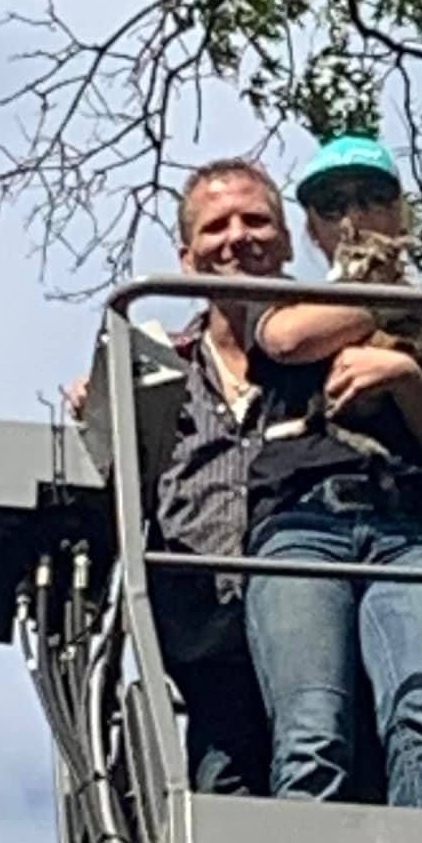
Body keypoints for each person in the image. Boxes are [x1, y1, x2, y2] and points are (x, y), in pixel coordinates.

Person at [243, 135, 422, 810]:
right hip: (301, 524)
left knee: (421, 713)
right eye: (331, 203)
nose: (353, 215)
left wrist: (406, 376)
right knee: (311, 729)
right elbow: (286, 343)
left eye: (372, 197)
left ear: (401, 211)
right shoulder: (284, 306)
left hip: (412, 530)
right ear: (313, 228)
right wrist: (386, 301)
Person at [68, 156, 292, 796]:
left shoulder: (336, 351)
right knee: (226, 796)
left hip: (316, 613)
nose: (237, 238)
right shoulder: (156, 371)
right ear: (187, 257)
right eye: (216, 226)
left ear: (285, 240)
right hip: (206, 632)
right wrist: (95, 417)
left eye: (255, 220)